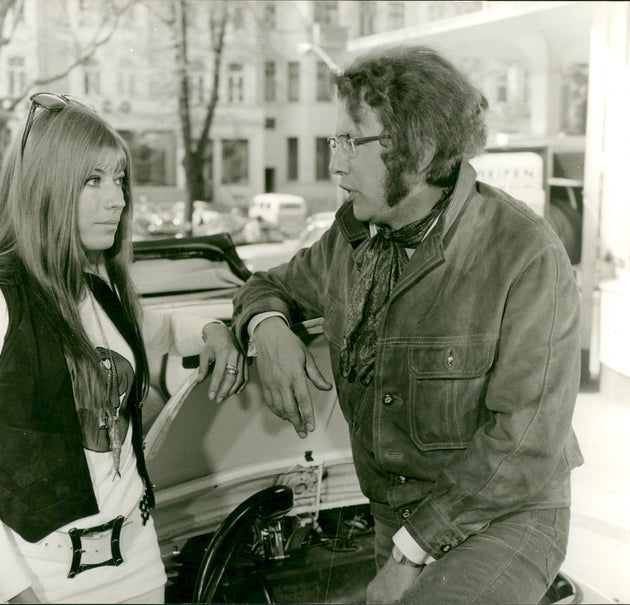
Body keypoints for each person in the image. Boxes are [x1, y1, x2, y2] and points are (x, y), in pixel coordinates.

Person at [232, 45, 583, 604]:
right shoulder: (349, 241)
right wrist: (268, 327)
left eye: (352, 141)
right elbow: (264, 285)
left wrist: (411, 552)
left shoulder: (524, 253)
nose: (336, 163)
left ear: (415, 154)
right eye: (335, 142)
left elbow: (525, 443)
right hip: (395, 517)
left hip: (505, 516)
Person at [0, 93, 247, 604]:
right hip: (44, 579)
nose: (117, 199)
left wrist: (213, 329)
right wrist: (20, 595)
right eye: (92, 180)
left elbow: (158, 329)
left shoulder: (93, 288)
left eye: (118, 179)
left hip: (139, 560)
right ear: (44, 188)